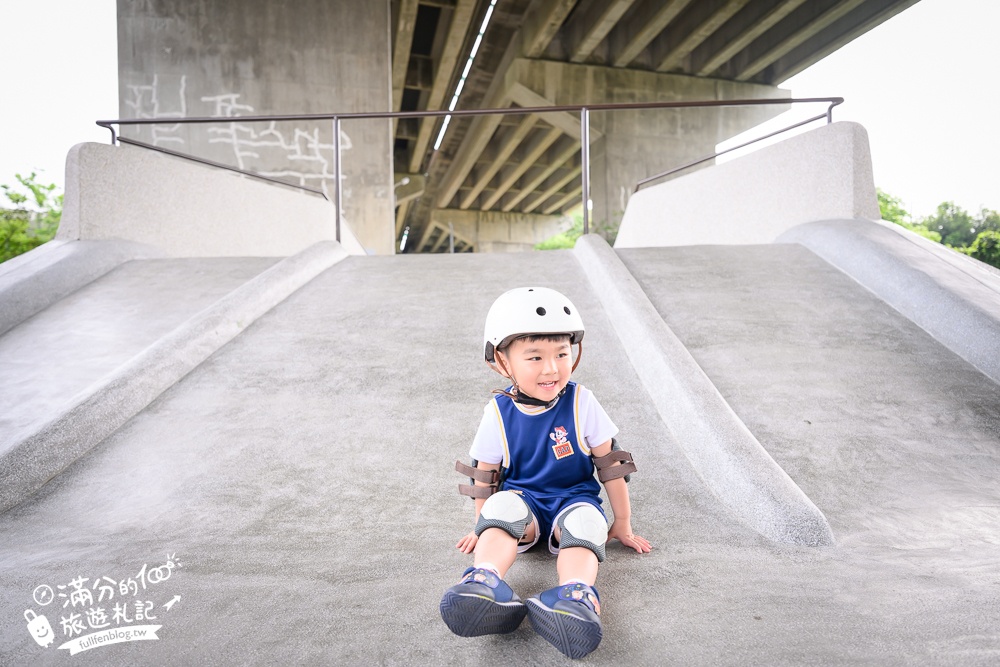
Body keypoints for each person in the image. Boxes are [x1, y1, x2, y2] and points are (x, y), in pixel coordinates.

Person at [439, 286, 651, 659]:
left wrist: (623, 522)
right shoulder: (498, 412)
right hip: (525, 506)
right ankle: (485, 581)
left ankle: (574, 597)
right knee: (502, 507)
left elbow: (611, 465)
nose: (551, 368)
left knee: (587, 524)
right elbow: (484, 475)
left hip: (574, 500)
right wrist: (482, 526)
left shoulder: (581, 401)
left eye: (561, 354)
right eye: (534, 357)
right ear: (501, 361)